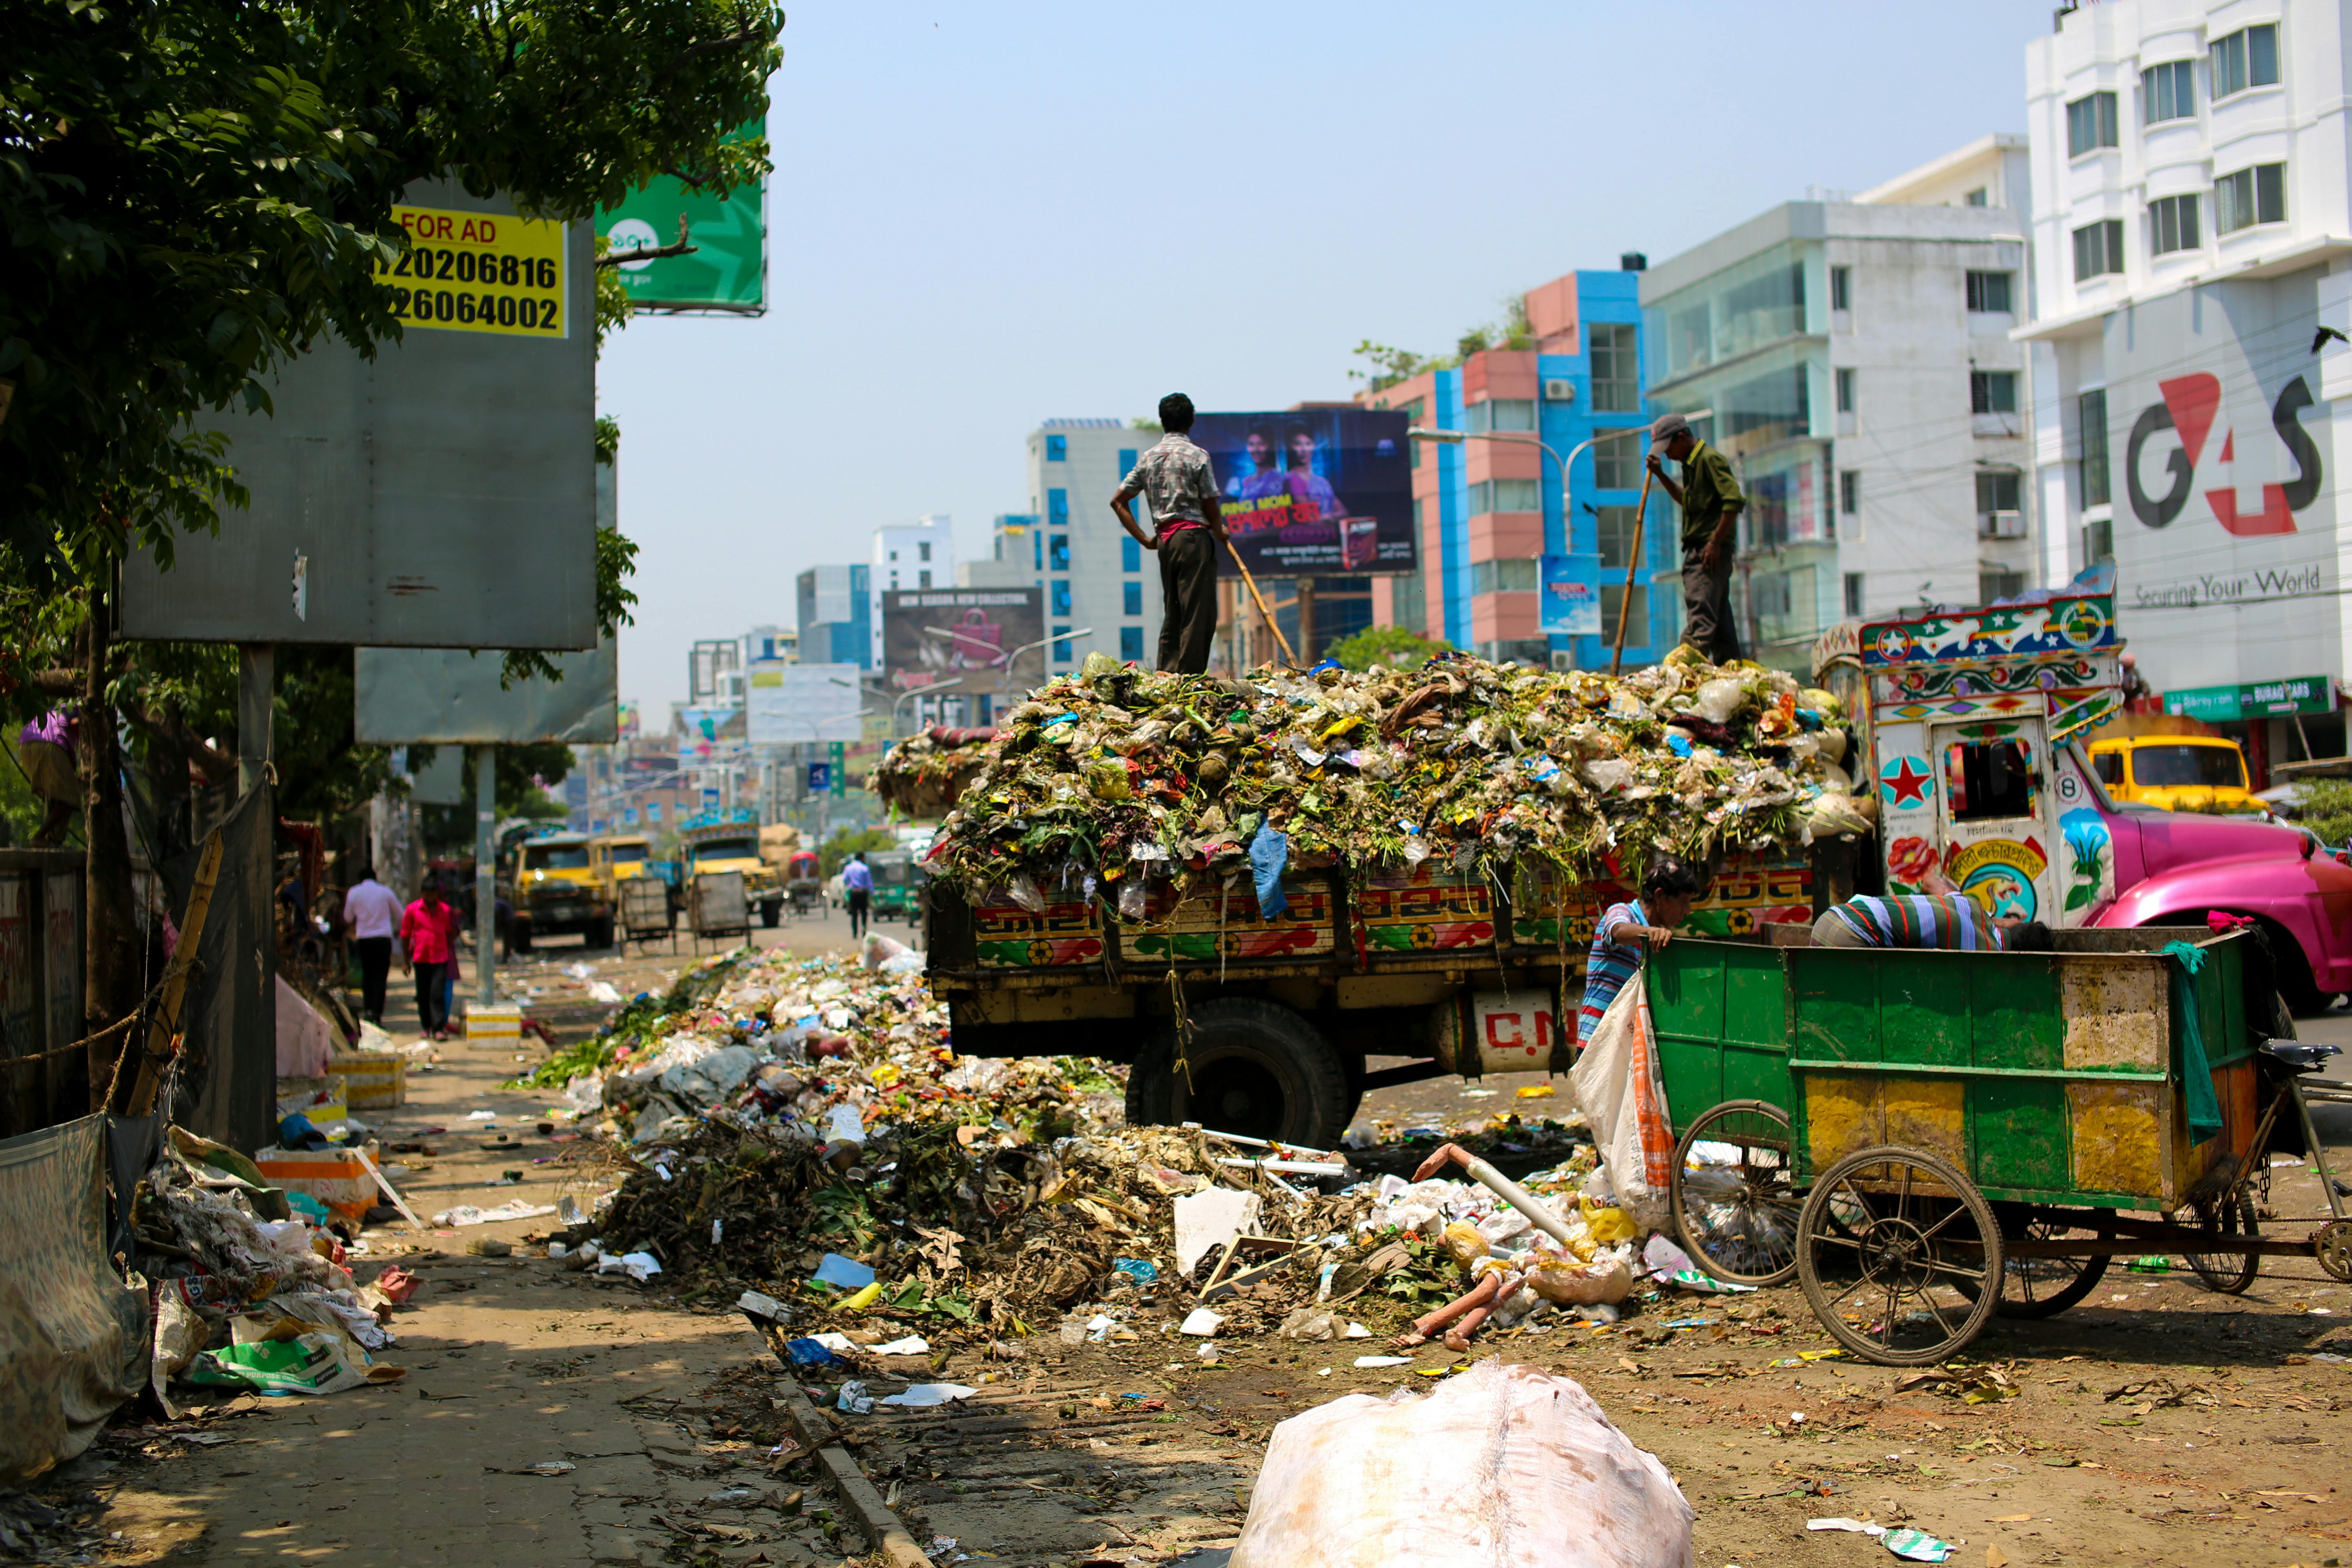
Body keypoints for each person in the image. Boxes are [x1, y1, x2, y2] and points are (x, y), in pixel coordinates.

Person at [1111, 392, 1227, 674]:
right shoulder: (1197, 456)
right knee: (1198, 612)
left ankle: (1167, 673)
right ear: (1191, 421)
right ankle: (1188, 678)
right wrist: (1220, 529)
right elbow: (1210, 502)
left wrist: (1146, 540)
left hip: (1166, 542)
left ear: (1163, 422)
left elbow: (1118, 501)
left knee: (1174, 610)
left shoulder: (1149, 459)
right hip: (1193, 539)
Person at [1644, 412, 1745, 664]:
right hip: (1703, 549)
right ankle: (1730, 670)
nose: (1668, 455)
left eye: (1669, 448)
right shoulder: (1690, 465)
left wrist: (1715, 543)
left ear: (1682, 437)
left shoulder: (1709, 460)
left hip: (1706, 551)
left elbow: (1734, 502)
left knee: (1700, 620)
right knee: (1720, 623)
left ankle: (1682, 673)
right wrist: (1661, 475)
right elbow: (1686, 501)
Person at [1579, 856, 1703, 1047]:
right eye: (1683, 901)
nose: (1687, 911)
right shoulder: (1622, 912)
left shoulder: (1658, 938)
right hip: (1599, 1045)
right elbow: (1618, 931)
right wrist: (1649, 932)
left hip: (1628, 1047)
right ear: (1660, 896)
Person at [1812, 867, 2054, 952]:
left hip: (1833, 917)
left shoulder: (1969, 905)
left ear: (2013, 925)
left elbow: (1930, 883)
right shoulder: (1984, 953)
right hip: (1848, 937)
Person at [400, 878, 462, 1040]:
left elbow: (451, 932)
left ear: (437, 895)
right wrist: (406, 961)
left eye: (433, 895)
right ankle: (426, 1027)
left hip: (440, 958)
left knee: (437, 994)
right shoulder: (413, 910)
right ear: (422, 894)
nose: (430, 899)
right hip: (421, 958)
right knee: (423, 995)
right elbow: (405, 936)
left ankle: (439, 1028)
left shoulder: (445, 911)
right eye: (427, 895)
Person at [341, 864, 403, 1026]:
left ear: (360, 880)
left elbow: (347, 918)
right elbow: (400, 915)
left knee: (368, 975)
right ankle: (377, 1013)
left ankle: (368, 1010)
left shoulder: (354, 892)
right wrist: (397, 931)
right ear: (376, 878)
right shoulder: (385, 892)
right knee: (381, 977)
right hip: (383, 939)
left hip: (364, 940)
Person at [17, 709, 79, 847]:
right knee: (71, 798)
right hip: (50, 742)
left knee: (55, 796)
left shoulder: (59, 707)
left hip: (26, 742)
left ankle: (52, 841)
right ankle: (40, 836)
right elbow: (76, 723)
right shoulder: (81, 708)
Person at [1281, 421, 1347, 526]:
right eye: (1298, 444)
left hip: (1330, 537)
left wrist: (1328, 518)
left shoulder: (1322, 481)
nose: (1303, 450)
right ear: (1291, 447)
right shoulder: (1292, 479)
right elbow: (1310, 520)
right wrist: (1331, 517)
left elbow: (1344, 512)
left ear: (1313, 446)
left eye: (1308, 444)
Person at [1224, 423, 1288, 501]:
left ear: (1270, 446)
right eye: (1251, 444)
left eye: (1261, 444)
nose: (1256, 450)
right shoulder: (1245, 482)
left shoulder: (1280, 480)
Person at [842, 852, 873, 940]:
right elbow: (869, 882)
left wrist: (850, 885)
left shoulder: (849, 868)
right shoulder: (865, 868)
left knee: (854, 914)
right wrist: (872, 893)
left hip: (854, 892)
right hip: (863, 892)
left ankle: (855, 933)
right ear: (862, 858)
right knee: (864, 912)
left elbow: (845, 880)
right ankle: (864, 930)